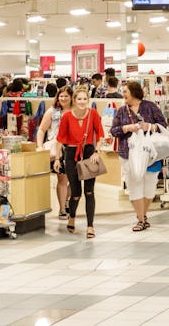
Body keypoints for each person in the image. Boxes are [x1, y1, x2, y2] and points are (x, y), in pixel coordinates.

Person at [109, 80, 168, 231]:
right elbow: (113, 131)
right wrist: (127, 128)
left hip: (150, 155)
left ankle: (143, 215)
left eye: (125, 92)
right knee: (135, 186)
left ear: (134, 92)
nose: (123, 95)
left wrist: (151, 126)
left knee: (149, 188)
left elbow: (164, 126)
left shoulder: (150, 107)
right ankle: (141, 220)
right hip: (128, 154)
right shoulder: (122, 111)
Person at [54, 87, 104, 239]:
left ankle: (90, 226)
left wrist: (97, 151)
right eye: (79, 99)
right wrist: (57, 158)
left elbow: (101, 135)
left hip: (89, 154)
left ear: (88, 100)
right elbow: (60, 139)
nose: (82, 102)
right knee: (76, 193)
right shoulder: (67, 116)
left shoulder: (93, 114)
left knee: (89, 191)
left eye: (85, 99)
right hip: (71, 155)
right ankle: (72, 216)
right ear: (74, 100)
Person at [37, 85, 73, 218]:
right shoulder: (52, 111)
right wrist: (40, 146)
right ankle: (62, 208)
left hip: (74, 148)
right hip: (58, 150)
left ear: (71, 97)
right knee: (62, 179)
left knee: (75, 180)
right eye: (61, 96)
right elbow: (41, 130)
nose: (63, 98)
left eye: (66, 96)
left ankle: (67, 201)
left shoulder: (77, 110)